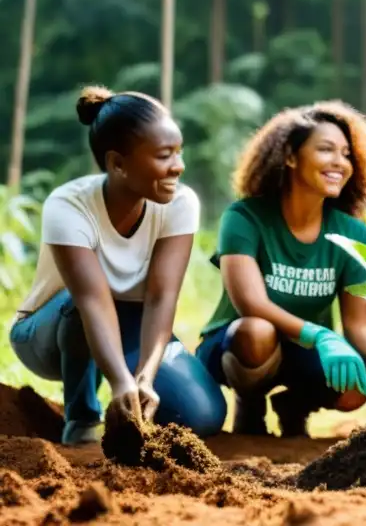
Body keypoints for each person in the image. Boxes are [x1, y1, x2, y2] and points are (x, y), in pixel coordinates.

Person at [8, 87, 226, 445]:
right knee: (80, 310)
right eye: (164, 155)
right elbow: (91, 300)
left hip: (129, 325)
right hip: (49, 330)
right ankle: (82, 420)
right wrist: (120, 379)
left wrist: (144, 377)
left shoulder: (180, 202)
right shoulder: (68, 206)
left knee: (201, 415)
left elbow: (161, 297)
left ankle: (125, 398)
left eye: (179, 152)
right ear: (117, 163)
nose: (179, 166)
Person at [195, 101, 366, 437]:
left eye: (346, 154)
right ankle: (250, 401)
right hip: (239, 345)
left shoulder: (352, 232)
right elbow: (251, 304)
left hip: (308, 350)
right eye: (326, 150)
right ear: (289, 157)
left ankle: (296, 406)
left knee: (361, 378)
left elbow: (360, 323)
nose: (340, 162)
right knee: (257, 330)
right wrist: (321, 334)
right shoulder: (244, 218)